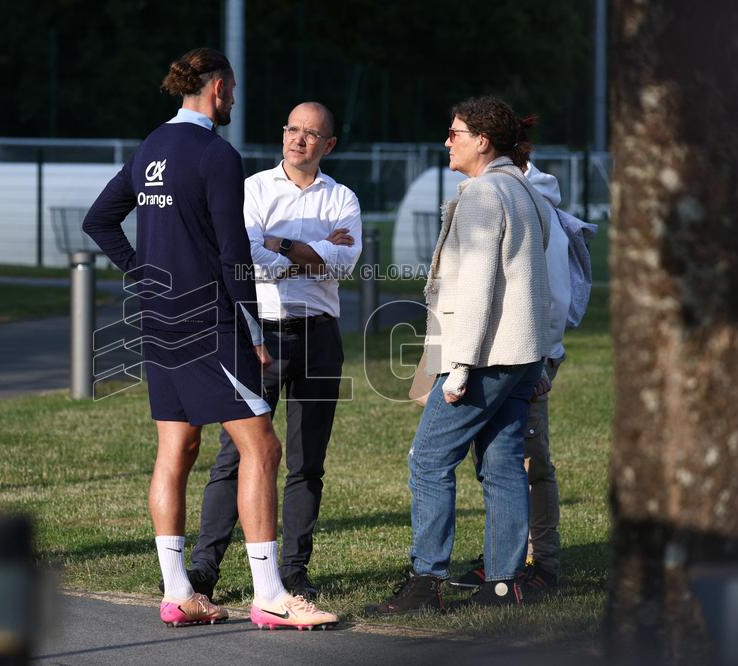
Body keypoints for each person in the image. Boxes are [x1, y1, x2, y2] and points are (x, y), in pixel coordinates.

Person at [82, 48, 338, 630]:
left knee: (176, 451)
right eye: (234, 89)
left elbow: (98, 220)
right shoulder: (216, 154)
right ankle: (271, 594)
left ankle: (179, 594)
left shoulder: (150, 146)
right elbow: (232, 253)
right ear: (218, 88)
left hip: (158, 322)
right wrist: (252, 328)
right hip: (209, 325)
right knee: (264, 449)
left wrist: (142, 274)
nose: (235, 99)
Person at [366, 96, 551, 615]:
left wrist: (459, 368)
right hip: (518, 356)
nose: (447, 142)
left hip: (483, 358)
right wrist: (539, 361)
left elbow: (477, 288)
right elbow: (542, 283)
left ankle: (426, 580)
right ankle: (504, 583)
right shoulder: (526, 192)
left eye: (454, 133)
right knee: (501, 466)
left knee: (428, 460)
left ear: (481, 141)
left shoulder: (484, 194)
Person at [184, 102, 362, 602]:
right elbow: (245, 257)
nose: (298, 140)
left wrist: (279, 243)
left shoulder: (343, 198)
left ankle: (293, 572)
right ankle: (205, 569)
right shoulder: (254, 189)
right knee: (234, 455)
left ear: (328, 145)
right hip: (257, 335)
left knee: (308, 463)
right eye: (292, 129)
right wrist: (309, 251)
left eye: (311, 134)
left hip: (319, 337)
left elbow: (343, 264)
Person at [448, 161, 570, 593]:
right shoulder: (498, 194)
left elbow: (552, 293)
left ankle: (540, 564)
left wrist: (542, 361)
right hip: (501, 354)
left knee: (528, 462)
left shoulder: (529, 202)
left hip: (525, 357)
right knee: (499, 461)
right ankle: (507, 557)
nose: (449, 142)